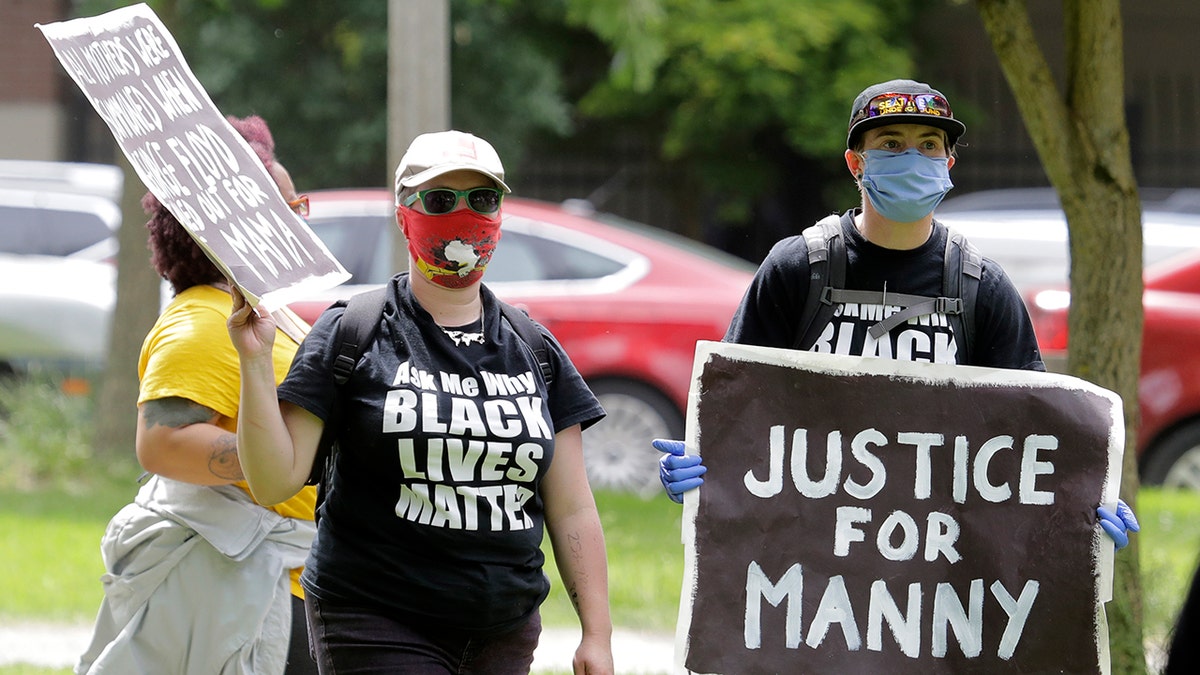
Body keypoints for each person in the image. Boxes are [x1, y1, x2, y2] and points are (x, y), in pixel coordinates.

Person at [655, 79, 1139, 546]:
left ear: (949, 162)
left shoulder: (981, 288)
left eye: (929, 144)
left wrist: (1079, 501)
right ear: (855, 163)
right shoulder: (798, 268)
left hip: (934, 566)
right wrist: (705, 459)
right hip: (808, 556)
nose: (913, 157)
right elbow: (739, 405)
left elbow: (1030, 435)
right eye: (891, 142)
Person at [227, 129, 614, 674]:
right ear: (404, 214)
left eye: (482, 199)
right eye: (440, 200)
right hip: (374, 616)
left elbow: (572, 507)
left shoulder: (534, 348)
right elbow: (273, 481)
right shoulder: (353, 332)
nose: (463, 214)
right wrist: (252, 359)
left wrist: (597, 635)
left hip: (503, 628)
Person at [76, 115, 318, 674]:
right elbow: (162, 443)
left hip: (298, 578)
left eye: (298, 207)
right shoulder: (202, 321)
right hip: (259, 589)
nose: (300, 224)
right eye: (285, 209)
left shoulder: (266, 312)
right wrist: (294, 460)